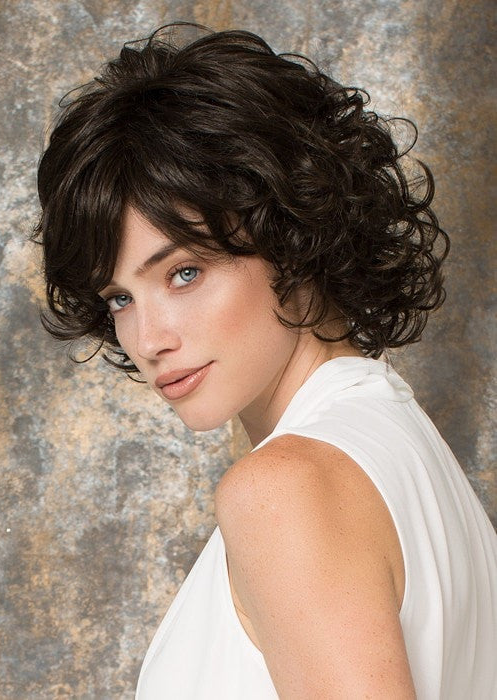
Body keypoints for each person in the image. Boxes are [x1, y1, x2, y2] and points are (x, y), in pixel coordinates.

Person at [34, 22, 497, 699]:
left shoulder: (283, 490)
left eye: (184, 272)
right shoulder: (399, 445)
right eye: (120, 298)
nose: (148, 338)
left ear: (294, 238)